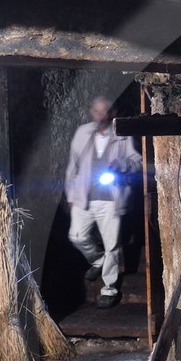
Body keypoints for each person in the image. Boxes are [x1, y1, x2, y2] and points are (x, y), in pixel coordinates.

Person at [64, 97, 143, 308]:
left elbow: (137, 161)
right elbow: (73, 166)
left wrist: (122, 164)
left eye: (104, 111)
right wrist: (71, 196)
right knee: (77, 236)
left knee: (112, 245)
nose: (100, 116)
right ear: (91, 112)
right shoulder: (82, 133)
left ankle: (109, 289)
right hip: (84, 197)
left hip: (110, 199)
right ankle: (98, 261)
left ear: (113, 113)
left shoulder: (122, 134)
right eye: (96, 111)